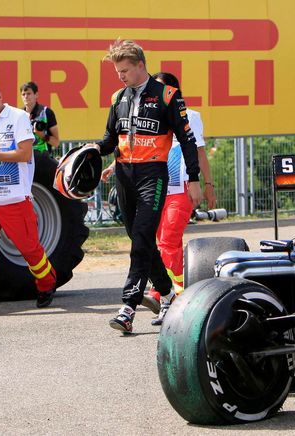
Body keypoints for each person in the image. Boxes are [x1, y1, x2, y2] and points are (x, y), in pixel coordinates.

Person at [89, 39, 202, 333]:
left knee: (141, 236)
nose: (121, 76)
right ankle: (167, 296)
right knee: (141, 241)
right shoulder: (117, 97)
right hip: (125, 175)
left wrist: (194, 178)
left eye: (125, 70)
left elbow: (188, 141)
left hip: (153, 174)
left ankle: (128, 306)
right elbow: (109, 140)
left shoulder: (167, 95)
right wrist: (91, 150)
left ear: (141, 65)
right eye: (117, 72)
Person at [101, 72, 216, 303]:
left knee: (168, 241)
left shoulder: (189, 116)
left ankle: (176, 293)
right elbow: (135, 147)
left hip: (179, 188)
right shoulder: (140, 109)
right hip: (153, 186)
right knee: (147, 239)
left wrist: (207, 184)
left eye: (158, 88)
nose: (151, 92)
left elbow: (198, 151)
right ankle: (164, 292)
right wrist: (114, 166)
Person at [0, 79, 57, 318]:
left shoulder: (18, 118)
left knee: (29, 248)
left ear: (0, 97)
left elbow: (25, 154)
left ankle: (46, 282)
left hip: (14, 198)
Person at [20, 82, 60, 153]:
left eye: (29, 93)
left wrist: (42, 135)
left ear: (36, 95)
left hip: (43, 158)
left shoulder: (46, 112)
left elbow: (56, 143)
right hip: (24, 159)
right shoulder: (19, 115)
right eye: (23, 94)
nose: (26, 96)